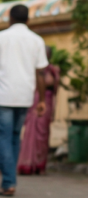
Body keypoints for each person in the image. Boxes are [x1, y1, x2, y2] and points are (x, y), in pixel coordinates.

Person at [0, 4, 48, 197]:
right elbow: (40, 72)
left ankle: (9, 181)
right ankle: (9, 179)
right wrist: (42, 99)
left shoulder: (2, 38)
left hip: (3, 95)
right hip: (25, 96)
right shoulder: (36, 41)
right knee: (13, 137)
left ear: (9, 18)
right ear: (28, 20)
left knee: (3, 137)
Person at [17, 45, 60, 175]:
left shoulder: (53, 70)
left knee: (43, 134)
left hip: (46, 102)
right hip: (33, 102)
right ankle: (26, 164)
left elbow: (55, 90)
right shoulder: (32, 69)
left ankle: (40, 165)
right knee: (29, 134)